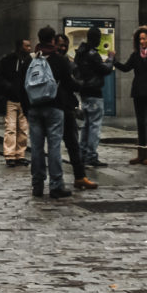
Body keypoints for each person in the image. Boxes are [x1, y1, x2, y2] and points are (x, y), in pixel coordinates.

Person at [25, 28, 69, 198]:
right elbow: (68, 82)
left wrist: (26, 107)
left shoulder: (30, 59)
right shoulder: (59, 60)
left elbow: (21, 84)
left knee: (36, 148)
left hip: (34, 108)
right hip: (54, 107)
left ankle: (37, 185)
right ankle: (56, 185)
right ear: (52, 40)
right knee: (54, 147)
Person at [50, 31, 96, 190]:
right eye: (60, 45)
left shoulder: (66, 62)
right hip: (58, 106)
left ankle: (79, 176)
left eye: (65, 45)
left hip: (65, 106)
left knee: (71, 144)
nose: (63, 48)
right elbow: (74, 84)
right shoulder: (60, 62)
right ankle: (62, 180)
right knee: (63, 144)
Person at [117, 24, 147, 167]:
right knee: (140, 123)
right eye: (140, 39)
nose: (142, 41)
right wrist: (113, 61)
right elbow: (126, 68)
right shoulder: (136, 55)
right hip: (139, 92)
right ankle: (142, 154)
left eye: (144, 39)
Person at [74, 22, 114, 167]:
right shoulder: (93, 54)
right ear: (96, 38)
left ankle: (82, 153)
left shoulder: (80, 52)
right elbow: (105, 69)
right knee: (94, 126)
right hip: (95, 93)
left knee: (86, 125)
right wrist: (110, 58)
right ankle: (91, 155)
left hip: (84, 92)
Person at [0, 37, 32, 164]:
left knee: (23, 129)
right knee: (11, 128)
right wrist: (8, 86)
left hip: (24, 99)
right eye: (27, 46)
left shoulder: (29, 61)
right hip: (11, 98)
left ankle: (20, 155)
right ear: (20, 47)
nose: (29, 48)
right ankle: (10, 155)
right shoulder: (7, 60)